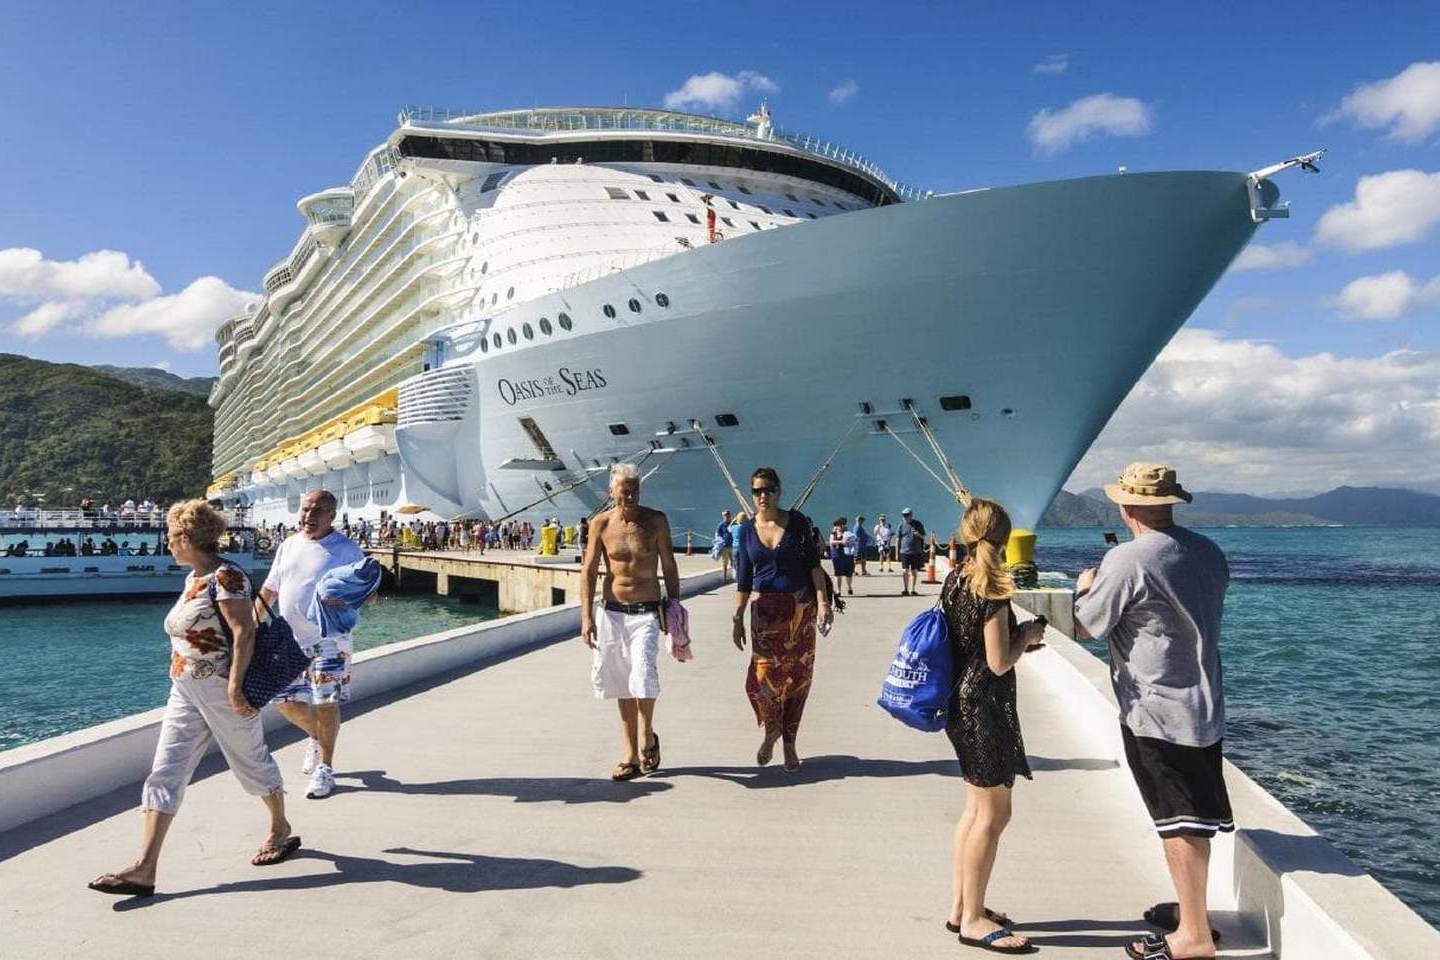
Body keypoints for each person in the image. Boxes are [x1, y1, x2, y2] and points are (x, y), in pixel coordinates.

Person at [88, 500, 298, 897]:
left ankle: (280, 828)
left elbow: (244, 632)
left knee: (251, 764)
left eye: (170, 537)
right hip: (184, 688)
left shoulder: (227, 576)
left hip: (221, 688)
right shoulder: (194, 579)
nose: (167, 544)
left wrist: (235, 687)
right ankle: (145, 868)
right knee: (166, 771)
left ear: (186, 537)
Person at [1073, 463, 1230, 960]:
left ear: (1128, 506)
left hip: (1156, 708)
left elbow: (1088, 626)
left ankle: (1193, 939)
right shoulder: (1208, 550)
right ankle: (1193, 915)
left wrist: (1085, 586)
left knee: (1177, 822)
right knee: (1194, 817)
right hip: (1204, 704)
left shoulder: (1127, 558)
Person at [940, 498, 1046, 953]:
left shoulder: (954, 580)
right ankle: (974, 920)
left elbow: (974, 648)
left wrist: (1014, 641)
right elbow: (1000, 661)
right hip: (984, 706)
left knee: (973, 812)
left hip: (960, 702)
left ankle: (961, 906)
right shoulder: (993, 587)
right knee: (994, 814)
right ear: (1004, 538)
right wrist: (1028, 635)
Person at [258, 489, 365, 800]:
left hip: (330, 642)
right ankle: (317, 738)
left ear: (331, 516)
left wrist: (345, 599)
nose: (309, 517)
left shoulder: (347, 550)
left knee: (325, 703)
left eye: (317, 511)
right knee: (283, 700)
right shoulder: (288, 545)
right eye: (305, 510)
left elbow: (367, 593)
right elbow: (269, 591)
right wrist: (247, 626)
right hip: (289, 641)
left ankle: (326, 769)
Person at [580, 463, 681, 781]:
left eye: (636, 488)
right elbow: (589, 570)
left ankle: (647, 734)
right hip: (611, 612)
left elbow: (669, 563)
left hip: (647, 612)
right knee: (622, 683)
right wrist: (586, 617)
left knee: (643, 675)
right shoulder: (601, 524)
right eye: (625, 489)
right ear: (612, 491)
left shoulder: (655, 521)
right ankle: (630, 755)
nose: (632, 494)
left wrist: (674, 606)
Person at [732, 467, 833, 772]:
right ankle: (771, 730)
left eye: (768, 490)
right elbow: (743, 578)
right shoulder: (747, 530)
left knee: (797, 680)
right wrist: (737, 618)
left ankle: (789, 742)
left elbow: (814, 565)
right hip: (764, 615)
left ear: (779, 492)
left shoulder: (798, 522)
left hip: (800, 610)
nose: (763, 496)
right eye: (757, 491)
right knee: (762, 682)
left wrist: (823, 602)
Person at [897, 507, 927, 596]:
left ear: (911, 515)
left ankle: (913, 590)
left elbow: (923, 536)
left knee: (914, 571)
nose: (905, 517)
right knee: (905, 570)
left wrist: (918, 535)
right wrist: (896, 552)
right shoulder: (901, 526)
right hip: (904, 552)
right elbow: (898, 539)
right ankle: (905, 589)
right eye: (904, 516)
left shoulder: (918, 524)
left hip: (916, 551)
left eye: (907, 515)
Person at [828, 517, 856, 596]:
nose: (839, 527)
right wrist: (841, 541)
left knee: (849, 573)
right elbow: (831, 541)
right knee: (838, 573)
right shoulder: (833, 533)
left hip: (847, 555)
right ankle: (838, 590)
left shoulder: (848, 533)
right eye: (838, 525)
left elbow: (854, 541)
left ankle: (849, 587)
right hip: (836, 554)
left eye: (841, 525)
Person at [715, 509, 735, 581]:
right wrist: (718, 542)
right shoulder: (721, 525)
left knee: (734, 562)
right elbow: (717, 534)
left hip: (732, 546)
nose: (726, 517)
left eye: (727, 515)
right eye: (725, 515)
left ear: (730, 516)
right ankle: (725, 577)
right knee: (724, 562)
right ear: (723, 516)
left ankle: (735, 576)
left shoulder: (732, 524)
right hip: (724, 546)